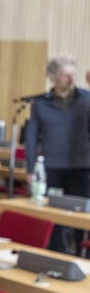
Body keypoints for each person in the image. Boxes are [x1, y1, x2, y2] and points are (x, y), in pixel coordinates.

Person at [23, 55, 90, 252]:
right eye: (64, 75)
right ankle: (56, 251)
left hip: (80, 165)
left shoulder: (86, 99)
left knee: (80, 212)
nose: (70, 79)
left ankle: (80, 251)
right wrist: (30, 167)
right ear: (52, 77)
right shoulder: (40, 103)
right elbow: (31, 137)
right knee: (52, 212)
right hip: (51, 166)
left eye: (72, 74)